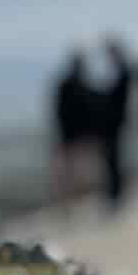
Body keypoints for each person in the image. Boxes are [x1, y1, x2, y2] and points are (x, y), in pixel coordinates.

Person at [52, 49, 98, 203]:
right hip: (77, 137)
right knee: (76, 175)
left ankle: (71, 201)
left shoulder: (66, 85)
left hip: (70, 136)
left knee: (73, 175)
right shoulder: (83, 86)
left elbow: (59, 111)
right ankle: (74, 201)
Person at [99, 36, 131, 206]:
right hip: (113, 122)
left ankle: (116, 194)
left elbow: (116, 99)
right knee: (113, 159)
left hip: (115, 123)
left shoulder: (122, 70)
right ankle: (114, 193)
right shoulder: (119, 69)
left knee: (114, 159)